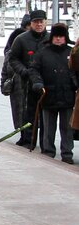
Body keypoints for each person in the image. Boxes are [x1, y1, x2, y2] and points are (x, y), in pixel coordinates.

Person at [29, 23, 76, 164]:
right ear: (52, 37)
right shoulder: (43, 53)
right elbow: (33, 69)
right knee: (48, 127)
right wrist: (37, 82)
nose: (58, 39)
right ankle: (48, 152)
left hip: (68, 95)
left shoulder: (71, 52)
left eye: (61, 36)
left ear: (65, 37)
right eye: (56, 36)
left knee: (67, 128)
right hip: (48, 95)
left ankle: (67, 154)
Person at [9, 9, 49, 148]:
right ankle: (27, 141)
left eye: (41, 21)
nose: (39, 24)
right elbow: (13, 58)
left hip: (46, 83)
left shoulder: (50, 39)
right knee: (28, 113)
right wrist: (23, 71)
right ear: (31, 23)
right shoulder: (21, 39)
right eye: (36, 22)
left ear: (46, 22)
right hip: (26, 82)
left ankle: (46, 146)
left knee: (46, 117)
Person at [0, 14, 31, 129]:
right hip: (16, 84)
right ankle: (22, 133)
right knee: (18, 111)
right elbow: (6, 64)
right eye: (28, 25)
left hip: (28, 83)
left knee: (27, 110)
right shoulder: (17, 37)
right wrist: (4, 82)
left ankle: (27, 135)